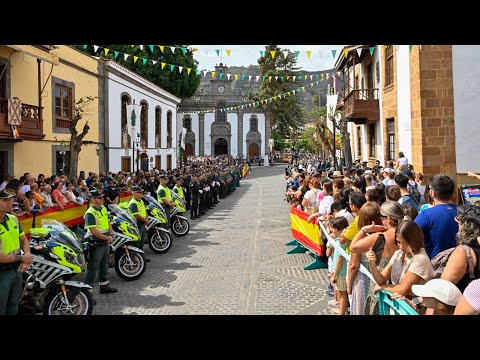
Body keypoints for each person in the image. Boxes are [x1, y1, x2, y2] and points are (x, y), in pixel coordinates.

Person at [0, 189, 33, 315]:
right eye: (5, 200)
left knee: (14, 306)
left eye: (11, 200)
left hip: (16, 270)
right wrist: (22, 258)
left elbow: (24, 240)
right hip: (2, 273)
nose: (10, 203)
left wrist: (27, 254)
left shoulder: (13, 219)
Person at [84, 188, 118, 297]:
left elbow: (109, 222)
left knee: (104, 265)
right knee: (93, 268)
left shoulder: (103, 208)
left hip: (105, 242)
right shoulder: (90, 213)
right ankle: (87, 294)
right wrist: (107, 238)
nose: (102, 199)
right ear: (92, 199)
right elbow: (93, 231)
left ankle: (104, 287)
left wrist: (111, 234)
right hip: (96, 243)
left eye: (102, 197)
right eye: (99, 198)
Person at [414, 174, 458, 257]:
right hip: (462, 264)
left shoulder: (426, 215)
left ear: (432, 193)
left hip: (435, 264)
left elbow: (409, 235)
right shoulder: (465, 212)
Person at [128, 187, 149, 260]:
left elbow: (145, 210)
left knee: (141, 241)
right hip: (137, 224)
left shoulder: (140, 201)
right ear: (134, 193)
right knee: (137, 243)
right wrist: (145, 220)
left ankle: (141, 257)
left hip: (142, 223)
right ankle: (135, 259)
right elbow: (136, 215)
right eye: (139, 192)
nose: (141, 194)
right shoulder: (133, 203)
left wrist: (146, 218)